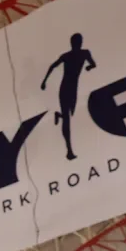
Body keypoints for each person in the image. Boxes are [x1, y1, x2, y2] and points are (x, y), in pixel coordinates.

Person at [39, 32, 97, 161]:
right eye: (77, 42)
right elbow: (52, 66)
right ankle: (69, 150)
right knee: (67, 119)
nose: (77, 44)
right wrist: (44, 82)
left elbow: (93, 64)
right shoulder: (70, 55)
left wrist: (89, 67)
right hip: (65, 88)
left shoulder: (83, 53)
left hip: (71, 88)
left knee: (69, 115)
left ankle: (59, 115)